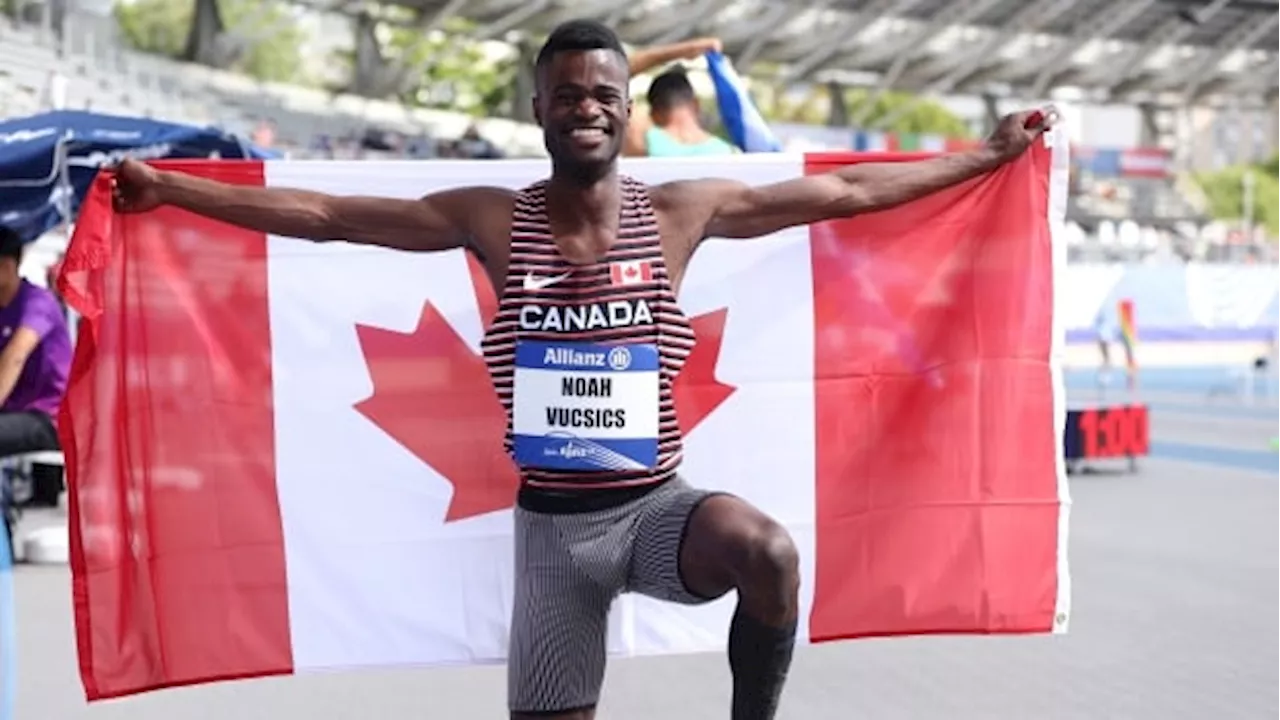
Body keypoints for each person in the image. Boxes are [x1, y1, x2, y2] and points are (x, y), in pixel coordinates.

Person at [109, 19, 1053, 720]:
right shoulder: (489, 218)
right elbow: (326, 216)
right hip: (557, 536)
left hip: (659, 509)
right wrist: (171, 188)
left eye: (604, 93)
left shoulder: (682, 211)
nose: (587, 107)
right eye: (568, 95)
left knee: (767, 551)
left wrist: (986, 154)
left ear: (625, 108)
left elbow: (844, 193)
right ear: (541, 111)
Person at [0, 227, 71, 510]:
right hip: (19, 413)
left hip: (51, 417)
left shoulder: (37, 303)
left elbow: (16, 355)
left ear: (6, 266)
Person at [627, 66, 738, 157]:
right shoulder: (728, 152)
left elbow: (621, 72)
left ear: (653, 113)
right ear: (696, 104)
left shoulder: (642, 143)